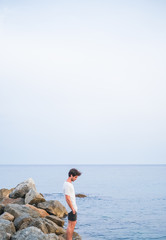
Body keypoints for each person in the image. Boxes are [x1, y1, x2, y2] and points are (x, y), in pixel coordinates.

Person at [63, 168, 82, 240]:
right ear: (71, 175)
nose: (76, 179)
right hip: (72, 208)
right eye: (75, 177)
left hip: (71, 208)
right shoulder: (68, 185)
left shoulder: (67, 183)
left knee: (70, 225)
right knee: (71, 226)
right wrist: (72, 209)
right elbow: (67, 198)